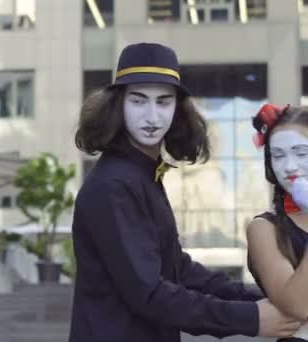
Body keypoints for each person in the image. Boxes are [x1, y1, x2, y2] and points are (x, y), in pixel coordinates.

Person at [69, 42, 300, 342]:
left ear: (177, 109)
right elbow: (149, 293)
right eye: (138, 101)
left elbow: (177, 268)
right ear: (118, 104)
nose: (152, 117)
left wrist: (263, 297)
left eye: (163, 102)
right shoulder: (113, 185)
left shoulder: (143, 174)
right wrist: (251, 318)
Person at [247, 104, 308, 341]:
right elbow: (299, 305)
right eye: (278, 156)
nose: (289, 167)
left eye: (301, 153)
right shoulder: (265, 228)